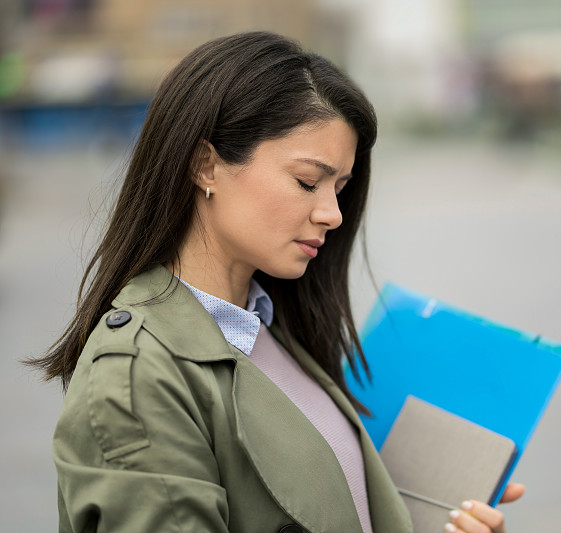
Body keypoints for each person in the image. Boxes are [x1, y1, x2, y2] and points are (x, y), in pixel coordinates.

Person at [30, 32, 524, 533]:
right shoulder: (136, 379)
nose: (332, 213)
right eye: (308, 181)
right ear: (206, 165)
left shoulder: (276, 332)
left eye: (340, 188)